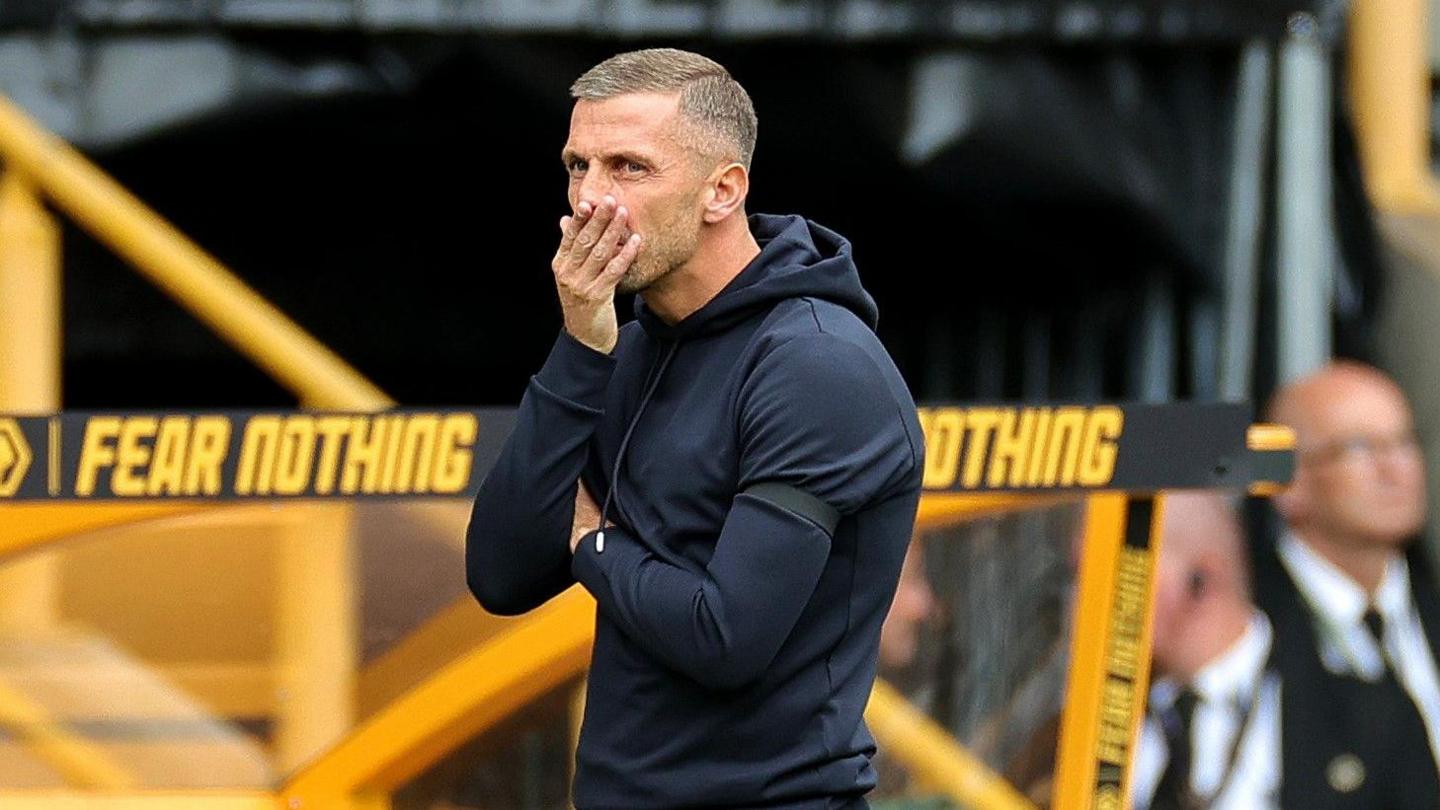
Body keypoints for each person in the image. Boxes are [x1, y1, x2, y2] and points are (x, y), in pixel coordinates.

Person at [465, 48, 924, 810]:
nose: (589, 199)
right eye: (578, 166)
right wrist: (581, 352)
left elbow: (724, 638)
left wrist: (588, 538)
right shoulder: (626, 345)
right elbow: (500, 574)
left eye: (628, 167)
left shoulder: (815, 365)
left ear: (723, 189)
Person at [1263, 361, 1440, 799]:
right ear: (1290, 480)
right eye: (1360, 448)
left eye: (1404, 441)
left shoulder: (1429, 607)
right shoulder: (1248, 627)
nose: (1394, 469)